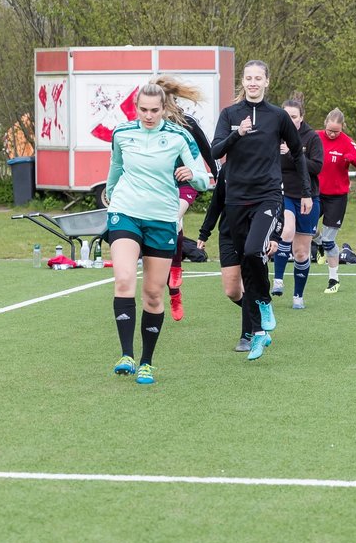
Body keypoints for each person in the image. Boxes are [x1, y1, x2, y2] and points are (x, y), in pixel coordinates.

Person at [102, 83, 211, 385]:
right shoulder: (122, 134)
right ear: (135, 108)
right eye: (143, 110)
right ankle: (126, 355)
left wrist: (194, 176)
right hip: (125, 212)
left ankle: (146, 362)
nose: (148, 116)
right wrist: (111, 194)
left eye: (154, 110)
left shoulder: (179, 137)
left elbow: (205, 176)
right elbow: (116, 166)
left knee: (152, 293)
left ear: (164, 109)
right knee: (124, 278)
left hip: (162, 218)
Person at [210, 60, 310, 361]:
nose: (253, 83)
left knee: (255, 251)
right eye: (248, 78)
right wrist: (236, 134)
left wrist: (305, 191)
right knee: (246, 265)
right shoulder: (230, 115)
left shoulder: (278, 116)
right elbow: (214, 152)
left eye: (258, 78)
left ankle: (265, 302)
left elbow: (297, 153)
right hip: (235, 199)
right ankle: (257, 333)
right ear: (243, 81)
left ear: (267, 82)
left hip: (267, 196)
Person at [153, 75, 218, 321]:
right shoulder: (146, 126)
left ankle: (176, 270)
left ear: (167, 100)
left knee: (173, 216)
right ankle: (174, 290)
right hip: (160, 186)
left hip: (185, 183)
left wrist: (218, 175)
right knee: (173, 225)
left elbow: (207, 150)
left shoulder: (187, 123)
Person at [197, 163, 280, 352]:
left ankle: (249, 334)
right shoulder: (227, 169)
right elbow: (216, 202)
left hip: (253, 232)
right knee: (232, 291)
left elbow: (276, 203)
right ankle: (259, 314)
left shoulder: (264, 166)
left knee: (248, 282)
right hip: (228, 232)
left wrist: (274, 236)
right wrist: (204, 232)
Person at [271, 98, 323, 309]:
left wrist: (293, 155)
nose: (290, 120)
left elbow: (316, 167)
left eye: (294, 116)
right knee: (287, 231)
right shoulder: (275, 135)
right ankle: (278, 280)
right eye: (286, 116)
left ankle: (298, 296)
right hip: (283, 194)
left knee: (301, 252)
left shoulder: (311, 138)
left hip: (308, 196)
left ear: (301, 117)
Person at [315, 108, 356, 293]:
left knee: (330, 241)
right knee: (306, 227)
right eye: (329, 130)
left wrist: (351, 158)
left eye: (336, 131)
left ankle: (333, 280)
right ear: (325, 125)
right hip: (315, 193)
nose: (332, 134)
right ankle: (319, 244)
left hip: (336, 197)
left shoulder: (347, 142)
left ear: (342, 128)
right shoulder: (315, 137)